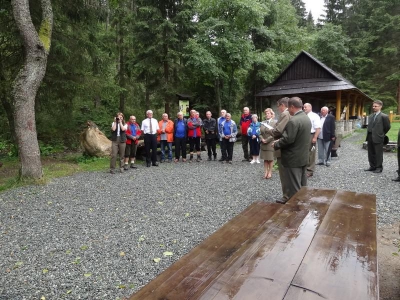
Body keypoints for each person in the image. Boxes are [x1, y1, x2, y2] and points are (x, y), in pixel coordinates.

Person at [273, 97, 311, 204]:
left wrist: (276, 143)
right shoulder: (306, 118)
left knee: (294, 187)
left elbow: (288, 139)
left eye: (289, 108)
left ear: (292, 107)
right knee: (303, 184)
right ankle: (304, 204)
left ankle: (296, 209)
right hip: (303, 156)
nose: (288, 110)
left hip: (293, 159)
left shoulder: (293, 121)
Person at [267, 97, 291, 201]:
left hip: (282, 146)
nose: (278, 109)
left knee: (284, 173)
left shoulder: (285, 114)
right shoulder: (292, 113)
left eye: (278, 106)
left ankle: (286, 196)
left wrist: (270, 130)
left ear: (282, 105)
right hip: (288, 147)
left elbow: (278, 131)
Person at [365, 100, 391, 173]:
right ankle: (372, 166)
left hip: (378, 137)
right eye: (373, 106)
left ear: (380, 107)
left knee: (378, 153)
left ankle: (379, 167)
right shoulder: (371, 116)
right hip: (370, 136)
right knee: (370, 152)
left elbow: (387, 127)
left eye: (376, 106)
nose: (374, 107)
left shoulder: (384, 116)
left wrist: (381, 133)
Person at [303, 103, 321, 177]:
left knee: (311, 153)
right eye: (303, 107)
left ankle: (310, 170)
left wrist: (315, 137)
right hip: (303, 135)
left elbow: (318, 128)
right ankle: (304, 168)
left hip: (311, 135)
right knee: (304, 152)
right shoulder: (303, 115)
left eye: (305, 107)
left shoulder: (314, 116)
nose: (304, 108)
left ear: (310, 107)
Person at [260, 108, 277, 179]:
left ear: (271, 114)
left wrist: (267, 140)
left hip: (270, 142)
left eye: (268, 113)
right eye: (266, 113)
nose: (267, 115)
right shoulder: (263, 122)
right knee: (265, 159)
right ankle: (265, 172)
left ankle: (270, 172)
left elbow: (275, 133)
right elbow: (260, 132)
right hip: (263, 143)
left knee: (270, 159)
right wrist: (261, 139)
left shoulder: (275, 122)